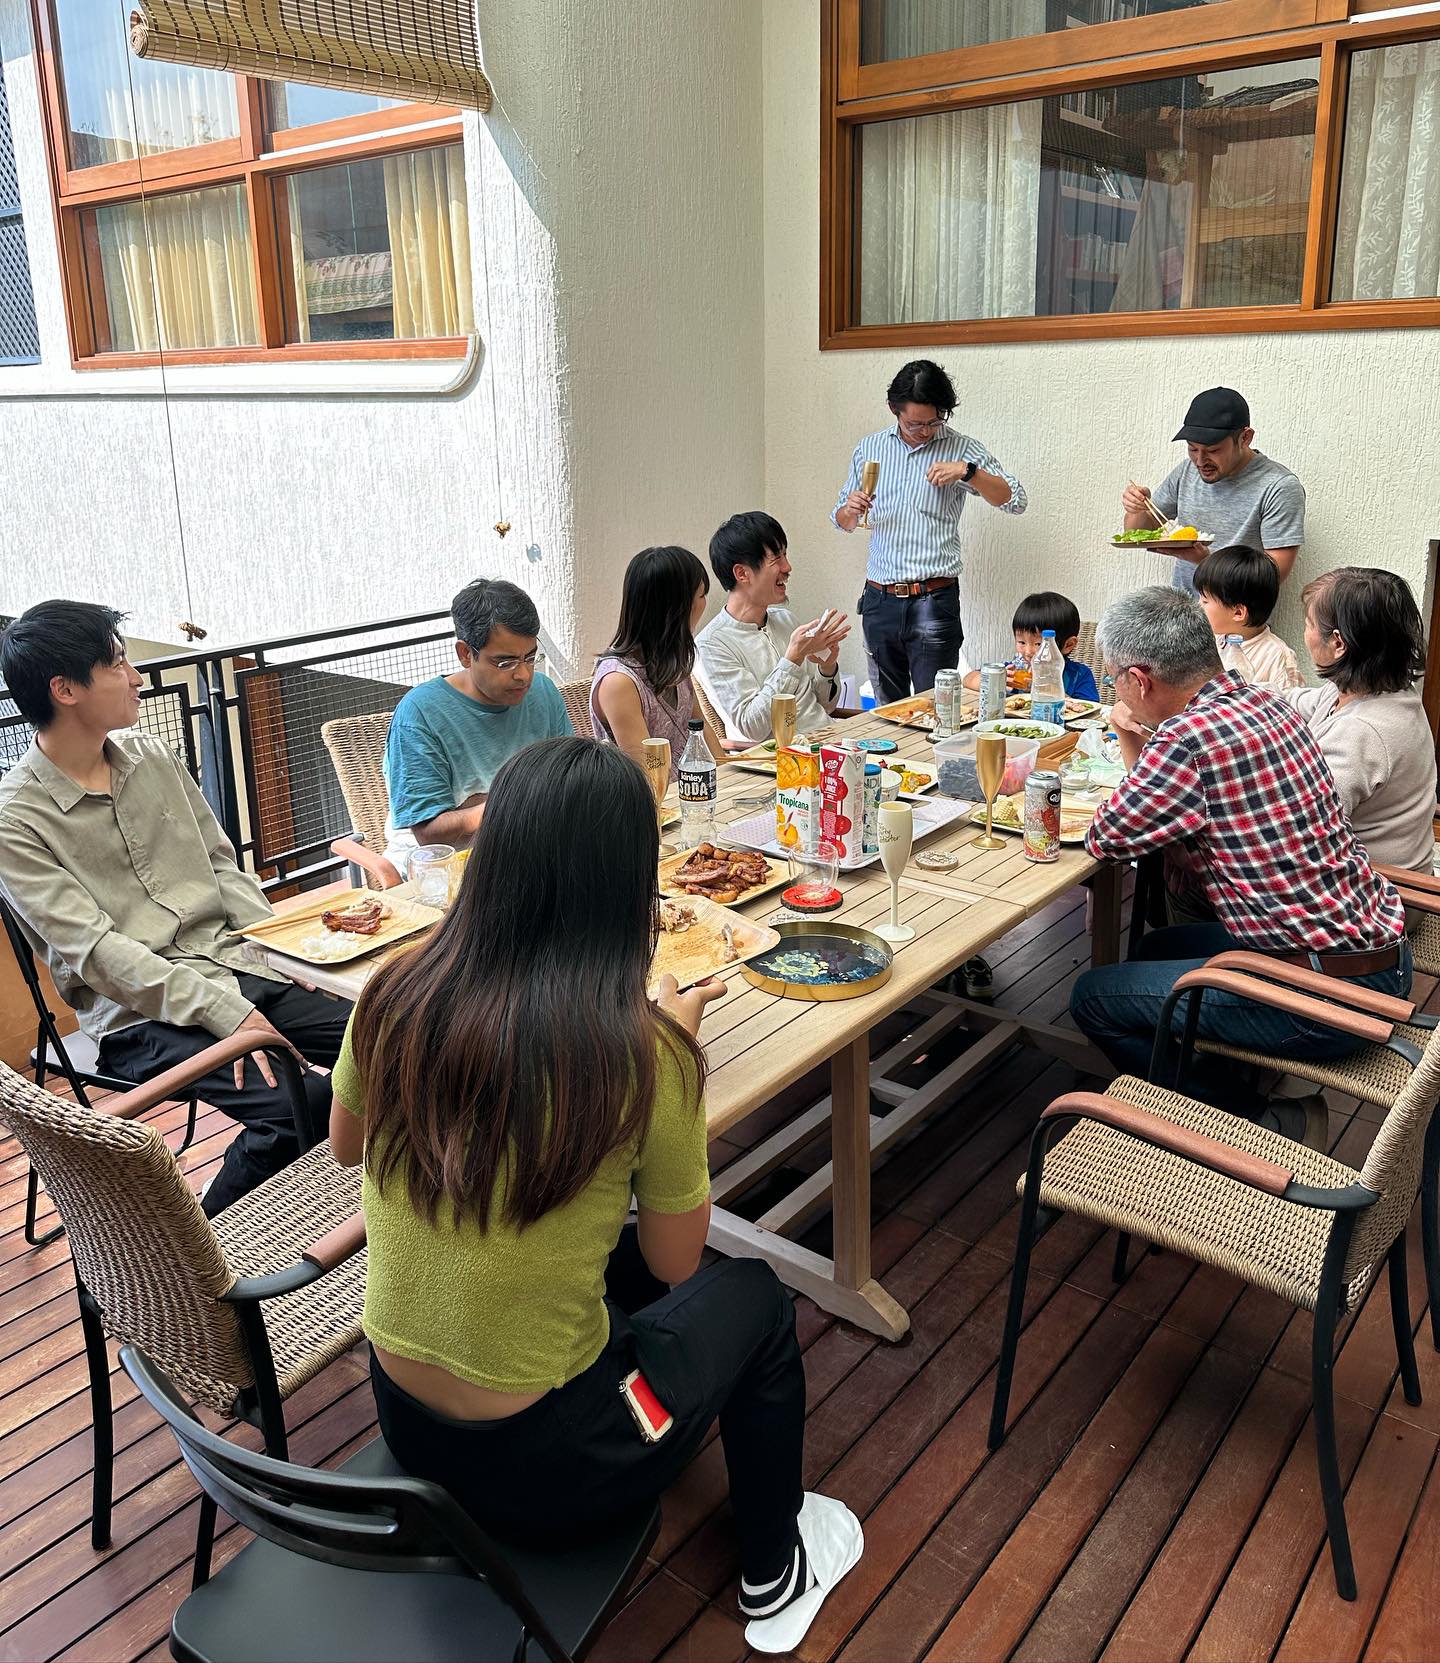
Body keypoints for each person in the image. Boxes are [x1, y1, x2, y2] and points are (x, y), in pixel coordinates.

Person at [329, 738, 863, 1654]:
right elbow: (676, 1260)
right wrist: (673, 1042)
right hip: (559, 1467)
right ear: (626, 887)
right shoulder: (646, 1058)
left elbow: (347, 1145)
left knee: (596, 1263)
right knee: (756, 1297)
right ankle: (775, 1570)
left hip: (408, 1431)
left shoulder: (394, 991)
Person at [0, 602, 347, 1214]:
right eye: (117, 664)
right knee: (301, 1107)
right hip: (140, 1014)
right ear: (65, 690)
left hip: (237, 962)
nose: (137, 677)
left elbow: (220, 863)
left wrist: (278, 949)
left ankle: (387, 1201)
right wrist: (225, 1013)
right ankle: (200, 1249)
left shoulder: (151, 757)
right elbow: (97, 954)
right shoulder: (16, 817)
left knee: (391, 1039)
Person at [1070, 587, 1411, 1145]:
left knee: (1091, 998)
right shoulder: (1268, 703)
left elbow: (1106, 837)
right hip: (1377, 953)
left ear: (1139, 680)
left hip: (1325, 998)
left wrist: (1132, 735)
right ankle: (1216, 1072)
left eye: (1115, 681)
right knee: (1155, 948)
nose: (1117, 693)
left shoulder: (1185, 739)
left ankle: (1257, 1123)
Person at [832, 358, 1027, 704]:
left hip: (933, 601)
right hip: (879, 599)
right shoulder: (870, 448)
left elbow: (1015, 500)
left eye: (934, 422)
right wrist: (850, 509)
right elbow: (842, 521)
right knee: (887, 710)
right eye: (914, 424)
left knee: (937, 707)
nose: (925, 431)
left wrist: (968, 472)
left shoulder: (961, 449)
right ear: (893, 409)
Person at [382, 578, 571, 875]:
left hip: (528, 856)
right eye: (505, 662)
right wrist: (514, 802)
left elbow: (568, 779)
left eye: (530, 658)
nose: (523, 675)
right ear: (465, 654)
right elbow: (429, 834)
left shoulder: (544, 692)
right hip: (440, 874)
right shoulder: (420, 715)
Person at [1282, 568, 1436, 873]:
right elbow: (1292, 703)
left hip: (1381, 887)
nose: (1305, 632)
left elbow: (1296, 829)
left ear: (1338, 643)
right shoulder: (1367, 689)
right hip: (1377, 869)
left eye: (1308, 624)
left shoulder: (1361, 732)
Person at [1121, 388, 1306, 592]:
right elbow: (1138, 532)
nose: (1200, 461)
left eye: (1213, 450)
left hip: (1237, 610)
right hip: (1182, 607)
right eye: (1192, 448)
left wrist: (1205, 562)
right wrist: (1137, 509)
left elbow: (1273, 576)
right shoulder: (1187, 471)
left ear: (1245, 438)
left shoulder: (1279, 486)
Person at [695, 511, 849, 745]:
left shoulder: (785, 620)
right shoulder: (712, 644)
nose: (788, 567)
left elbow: (824, 707)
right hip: (779, 758)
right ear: (742, 573)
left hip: (830, 742)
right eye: (776, 559)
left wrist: (827, 668)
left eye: (785, 554)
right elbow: (752, 727)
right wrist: (792, 660)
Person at [591, 545, 723, 779]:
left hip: (698, 790)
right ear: (676, 608)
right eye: (702, 595)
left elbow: (702, 731)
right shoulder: (618, 682)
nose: (704, 603)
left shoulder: (674, 661)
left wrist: (730, 778)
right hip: (661, 798)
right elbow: (649, 777)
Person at [1193, 544, 1302, 689]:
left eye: (1205, 601)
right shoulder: (1212, 640)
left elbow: (1287, 701)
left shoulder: (1277, 657)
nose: (1198, 605)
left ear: (1238, 613)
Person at [961, 591, 1099, 701]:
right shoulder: (1014, 670)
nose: (1028, 652)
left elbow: (1090, 712)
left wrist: (1047, 689)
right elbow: (968, 679)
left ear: (1068, 645)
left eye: (1039, 644)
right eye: (1021, 642)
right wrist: (994, 681)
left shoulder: (1079, 675)